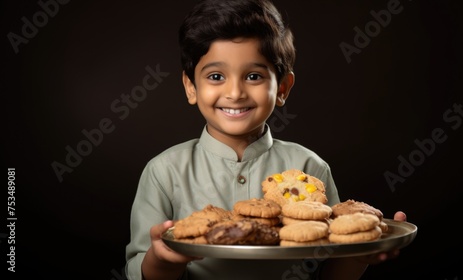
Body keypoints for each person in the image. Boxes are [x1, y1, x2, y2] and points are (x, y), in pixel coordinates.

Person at [125, 0, 407, 279]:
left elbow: (330, 267)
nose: (235, 93)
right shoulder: (163, 171)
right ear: (191, 87)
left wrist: (359, 256)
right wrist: (162, 260)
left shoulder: (309, 167)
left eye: (253, 76)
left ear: (282, 88)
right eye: (215, 76)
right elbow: (138, 270)